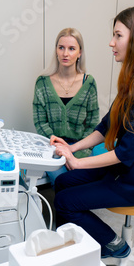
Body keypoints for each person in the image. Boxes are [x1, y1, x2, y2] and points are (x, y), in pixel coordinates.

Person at [52, 6, 134, 258]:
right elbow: (105, 126)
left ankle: (114, 244)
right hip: (123, 171)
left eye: (118, 35)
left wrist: (78, 162)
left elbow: (125, 152)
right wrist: (71, 148)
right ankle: (74, 244)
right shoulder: (133, 79)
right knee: (62, 181)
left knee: (65, 202)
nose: (111, 42)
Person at [33, 28, 99, 186]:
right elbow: (40, 122)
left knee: (81, 184)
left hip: (81, 148)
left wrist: (78, 155)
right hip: (52, 149)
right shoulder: (42, 83)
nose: (65, 54)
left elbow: (93, 124)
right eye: (61, 47)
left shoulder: (88, 83)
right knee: (64, 183)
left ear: (80, 52)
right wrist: (58, 148)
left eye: (71, 48)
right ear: (56, 50)